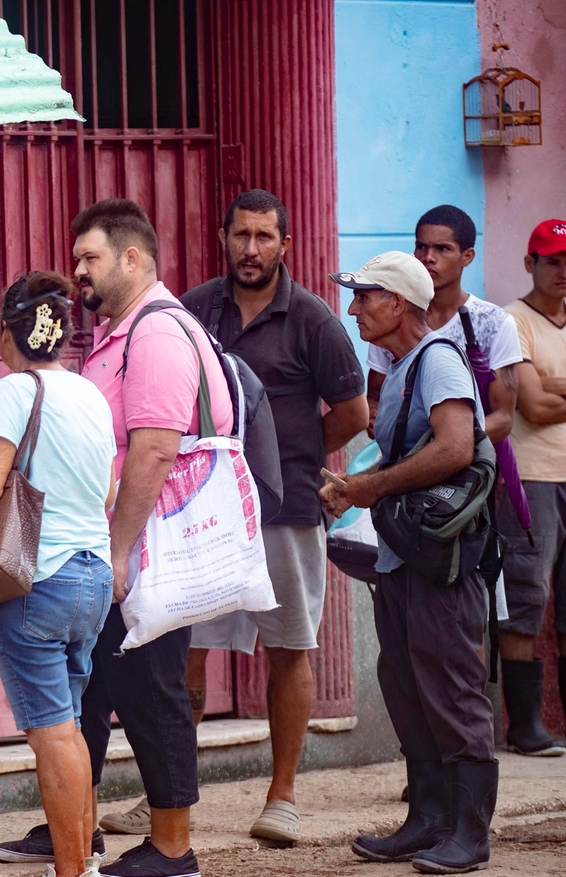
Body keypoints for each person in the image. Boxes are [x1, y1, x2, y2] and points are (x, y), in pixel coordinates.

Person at [178, 190, 368, 843]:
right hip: (203, 509)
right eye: (241, 235)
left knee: (290, 648)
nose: (251, 248)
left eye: (264, 236)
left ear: (284, 244)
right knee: (184, 649)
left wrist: (299, 455)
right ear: (224, 237)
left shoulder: (313, 317)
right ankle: (168, 793)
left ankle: (282, 796)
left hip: (286, 506)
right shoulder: (196, 308)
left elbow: (353, 411)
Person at [322, 251, 497, 874]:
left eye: (364, 296)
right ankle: (427, 820)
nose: (353, 308)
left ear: (397, 303)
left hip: (440, 563)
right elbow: (411, 453)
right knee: (404, 683)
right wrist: (355, 487)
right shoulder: (401, 366)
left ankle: (468, 833)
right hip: (405, 558)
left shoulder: (438, 360)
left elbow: (454, 447)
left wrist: (370, 487)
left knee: (450, 687)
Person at [74, 198, 227, 877]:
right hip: (127, 542)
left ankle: (173, 845)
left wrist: (117, 548)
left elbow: (155, 449)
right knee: (113, 686)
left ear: (132, 258)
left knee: (151, 687)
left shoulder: (157, 333)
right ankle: (82, 827)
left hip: (148, 546)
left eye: (90, 258)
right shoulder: (120, 332)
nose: (79, 271)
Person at [0, 272, 116, 877]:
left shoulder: (14, 390)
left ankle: (74, 870)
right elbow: (105, 488)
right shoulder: (89, 393)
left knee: (51, 734)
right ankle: (84, 864)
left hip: (36, 578)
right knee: (70, 728)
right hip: (92, 576)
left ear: (8, 333)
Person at [496, 218, 566, 758]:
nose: (562, 271)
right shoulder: (513, 322)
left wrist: (553, 385)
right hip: (534, 479)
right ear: (531, 264)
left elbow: (547, 395)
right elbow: (535, 407)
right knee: (527, 596)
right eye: (552, 261)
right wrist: (545, 391)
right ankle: (523, 726)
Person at [367, 205, 519, 446]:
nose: (428, 257)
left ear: (467, 257)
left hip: (467, 475)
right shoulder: (391, 316)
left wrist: (439, 441)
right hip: (397, 467)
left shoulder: (494, 322)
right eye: (421, 246)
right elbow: (374, 396)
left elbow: (502, 419)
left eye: (442, 248)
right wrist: (375, 416)